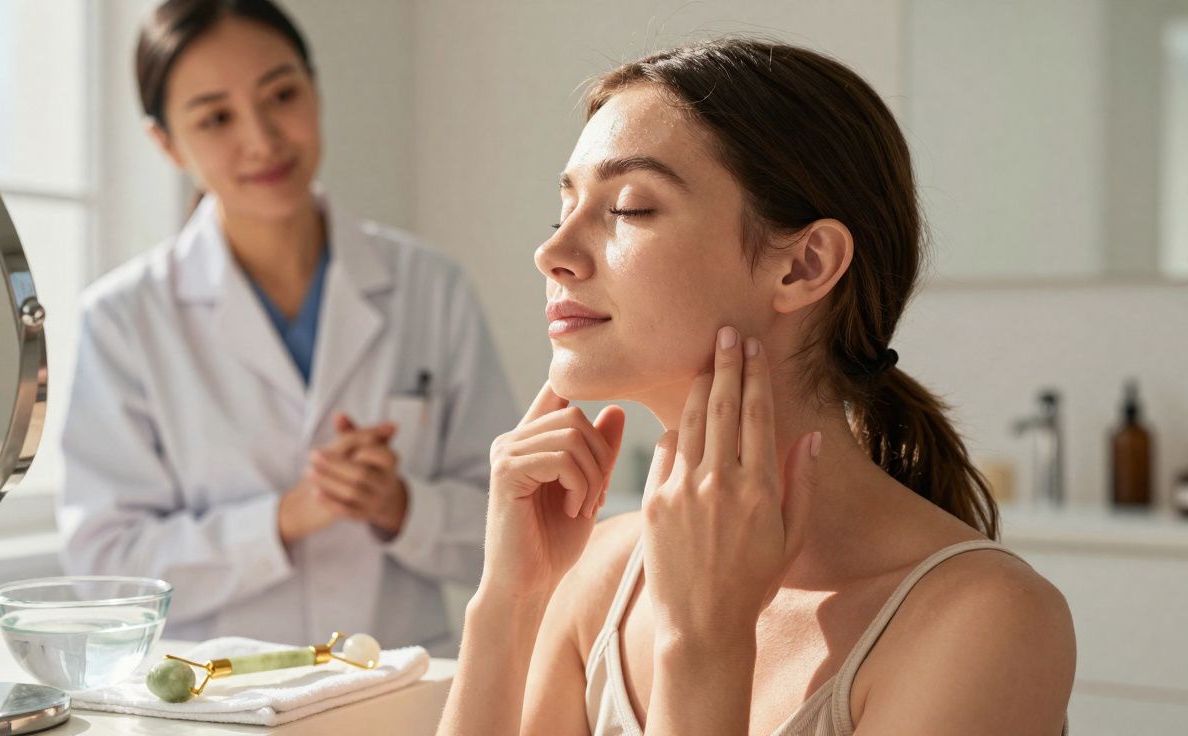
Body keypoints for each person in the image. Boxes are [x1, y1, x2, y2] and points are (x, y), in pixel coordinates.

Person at [440, 39, 1075, 734]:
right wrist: (508, 600)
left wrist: (702, 643)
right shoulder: (597, 577)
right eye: (564, 210)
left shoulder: (986, 621)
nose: (552, 253)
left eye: (628, 209)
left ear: (804, 265)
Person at [57, 0, 516, 655]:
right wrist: (282, 520)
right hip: (217, 699)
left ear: (314, 87)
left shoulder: (430, 288)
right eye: (216, 117)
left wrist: (401, 507)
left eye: (281, 94)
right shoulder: (125, 319)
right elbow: (105, 571)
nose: (263, 139)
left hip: (403, 684)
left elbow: (514, 523)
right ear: (165, 143)